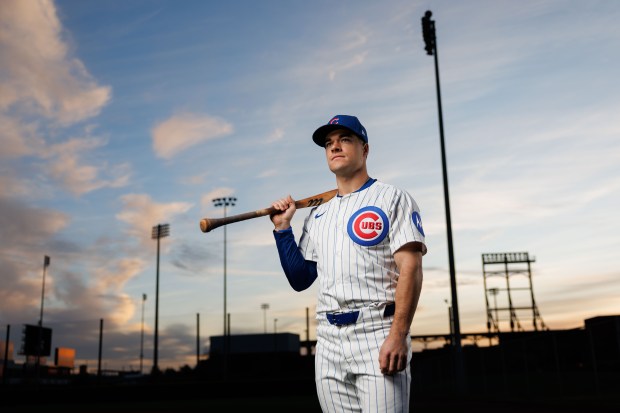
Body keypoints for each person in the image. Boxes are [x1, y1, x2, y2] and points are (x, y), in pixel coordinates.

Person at [270, 114, 426, 412]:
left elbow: (411, 269)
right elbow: (300, 278)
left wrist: (398, 335)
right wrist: (282, 230)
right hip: (328, 340)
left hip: (377, 330)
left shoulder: (392, 197)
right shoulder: (317, 214)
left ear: (364, 149)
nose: (334, 147)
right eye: (329, 143)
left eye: (345, 139)